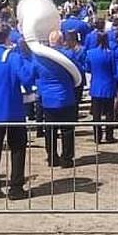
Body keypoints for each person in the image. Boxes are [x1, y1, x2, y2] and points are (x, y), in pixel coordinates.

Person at [0, 22, 36, 199]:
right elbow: (27, 79)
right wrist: (29, 57)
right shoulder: (13, 56)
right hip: (13, 110)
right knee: (17, 149)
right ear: (8, 35)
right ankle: (16, 187)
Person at [35, 31, 79, 168]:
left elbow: (34, 74)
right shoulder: (69, 55)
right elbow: (78, 74)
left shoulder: (40, 59)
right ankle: (67, 158)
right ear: (62, 41)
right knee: (67, 131)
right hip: (66, 96)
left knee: (50, 130)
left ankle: (52, 157)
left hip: (48, 99)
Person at [85, 32, 116, 143]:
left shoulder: (90, 53)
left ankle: (97, 136)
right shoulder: (110, 54)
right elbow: (114, 70)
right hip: (108, 85)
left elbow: (87, 69)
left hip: (96, 86)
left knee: (96, 114)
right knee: (109, 113)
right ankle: (109, 135)